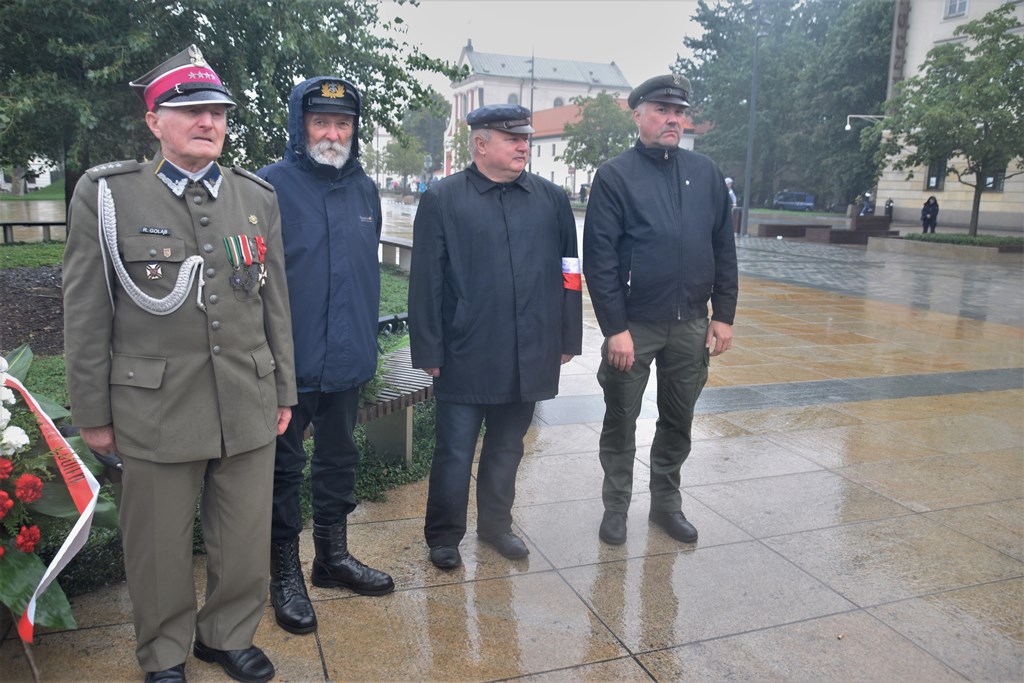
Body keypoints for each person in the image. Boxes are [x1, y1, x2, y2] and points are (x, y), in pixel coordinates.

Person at [62, 45, 296, 683]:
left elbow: (275, 300)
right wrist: (93, 413)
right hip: (154, 401)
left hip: (246, 395)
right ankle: (163, 652)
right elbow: (86, 310)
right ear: (153, 122)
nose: (207, 121)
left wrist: (285, 389)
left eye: (217, 111)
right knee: (159, 546)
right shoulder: (108, 194)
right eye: (189, 109)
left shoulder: (255, 197)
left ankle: (225, 635)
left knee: (243, 535)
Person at [409, 103, 583, 569]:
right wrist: (428, 348)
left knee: (508, 446)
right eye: (512, 138)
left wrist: (568, 334)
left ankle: (496, 526)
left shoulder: (550, 198)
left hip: (530, 349)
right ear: (480, 143)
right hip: (465, 349)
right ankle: (444, 537)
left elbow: (570, 270)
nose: (523, 145)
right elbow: (426, 280)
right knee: (454, 451)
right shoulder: (444, 199)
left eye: (525, 138)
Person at [256, 77, 393, 636]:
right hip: (289, 366)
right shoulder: (269, 187)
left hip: (347, 361)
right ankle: (283, 575)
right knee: (283, 472)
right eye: (321, 122)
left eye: (343, 123)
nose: (332, 133)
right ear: (301, 125)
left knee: (339, 463)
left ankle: (332, 560)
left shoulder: (365, 189)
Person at [582, 73, 737, 547]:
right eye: (662, 111)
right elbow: (600, 260)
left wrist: (723, 313)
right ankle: (616, 508)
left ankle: (667, 505)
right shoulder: (615, 176)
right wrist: (615, 329)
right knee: (621, 417)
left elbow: (722, 246)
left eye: (679, 112)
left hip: (690, 322)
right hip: (636, 325)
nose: (673, 119)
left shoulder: (705, 172)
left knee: (678, 418)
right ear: (639, 115)